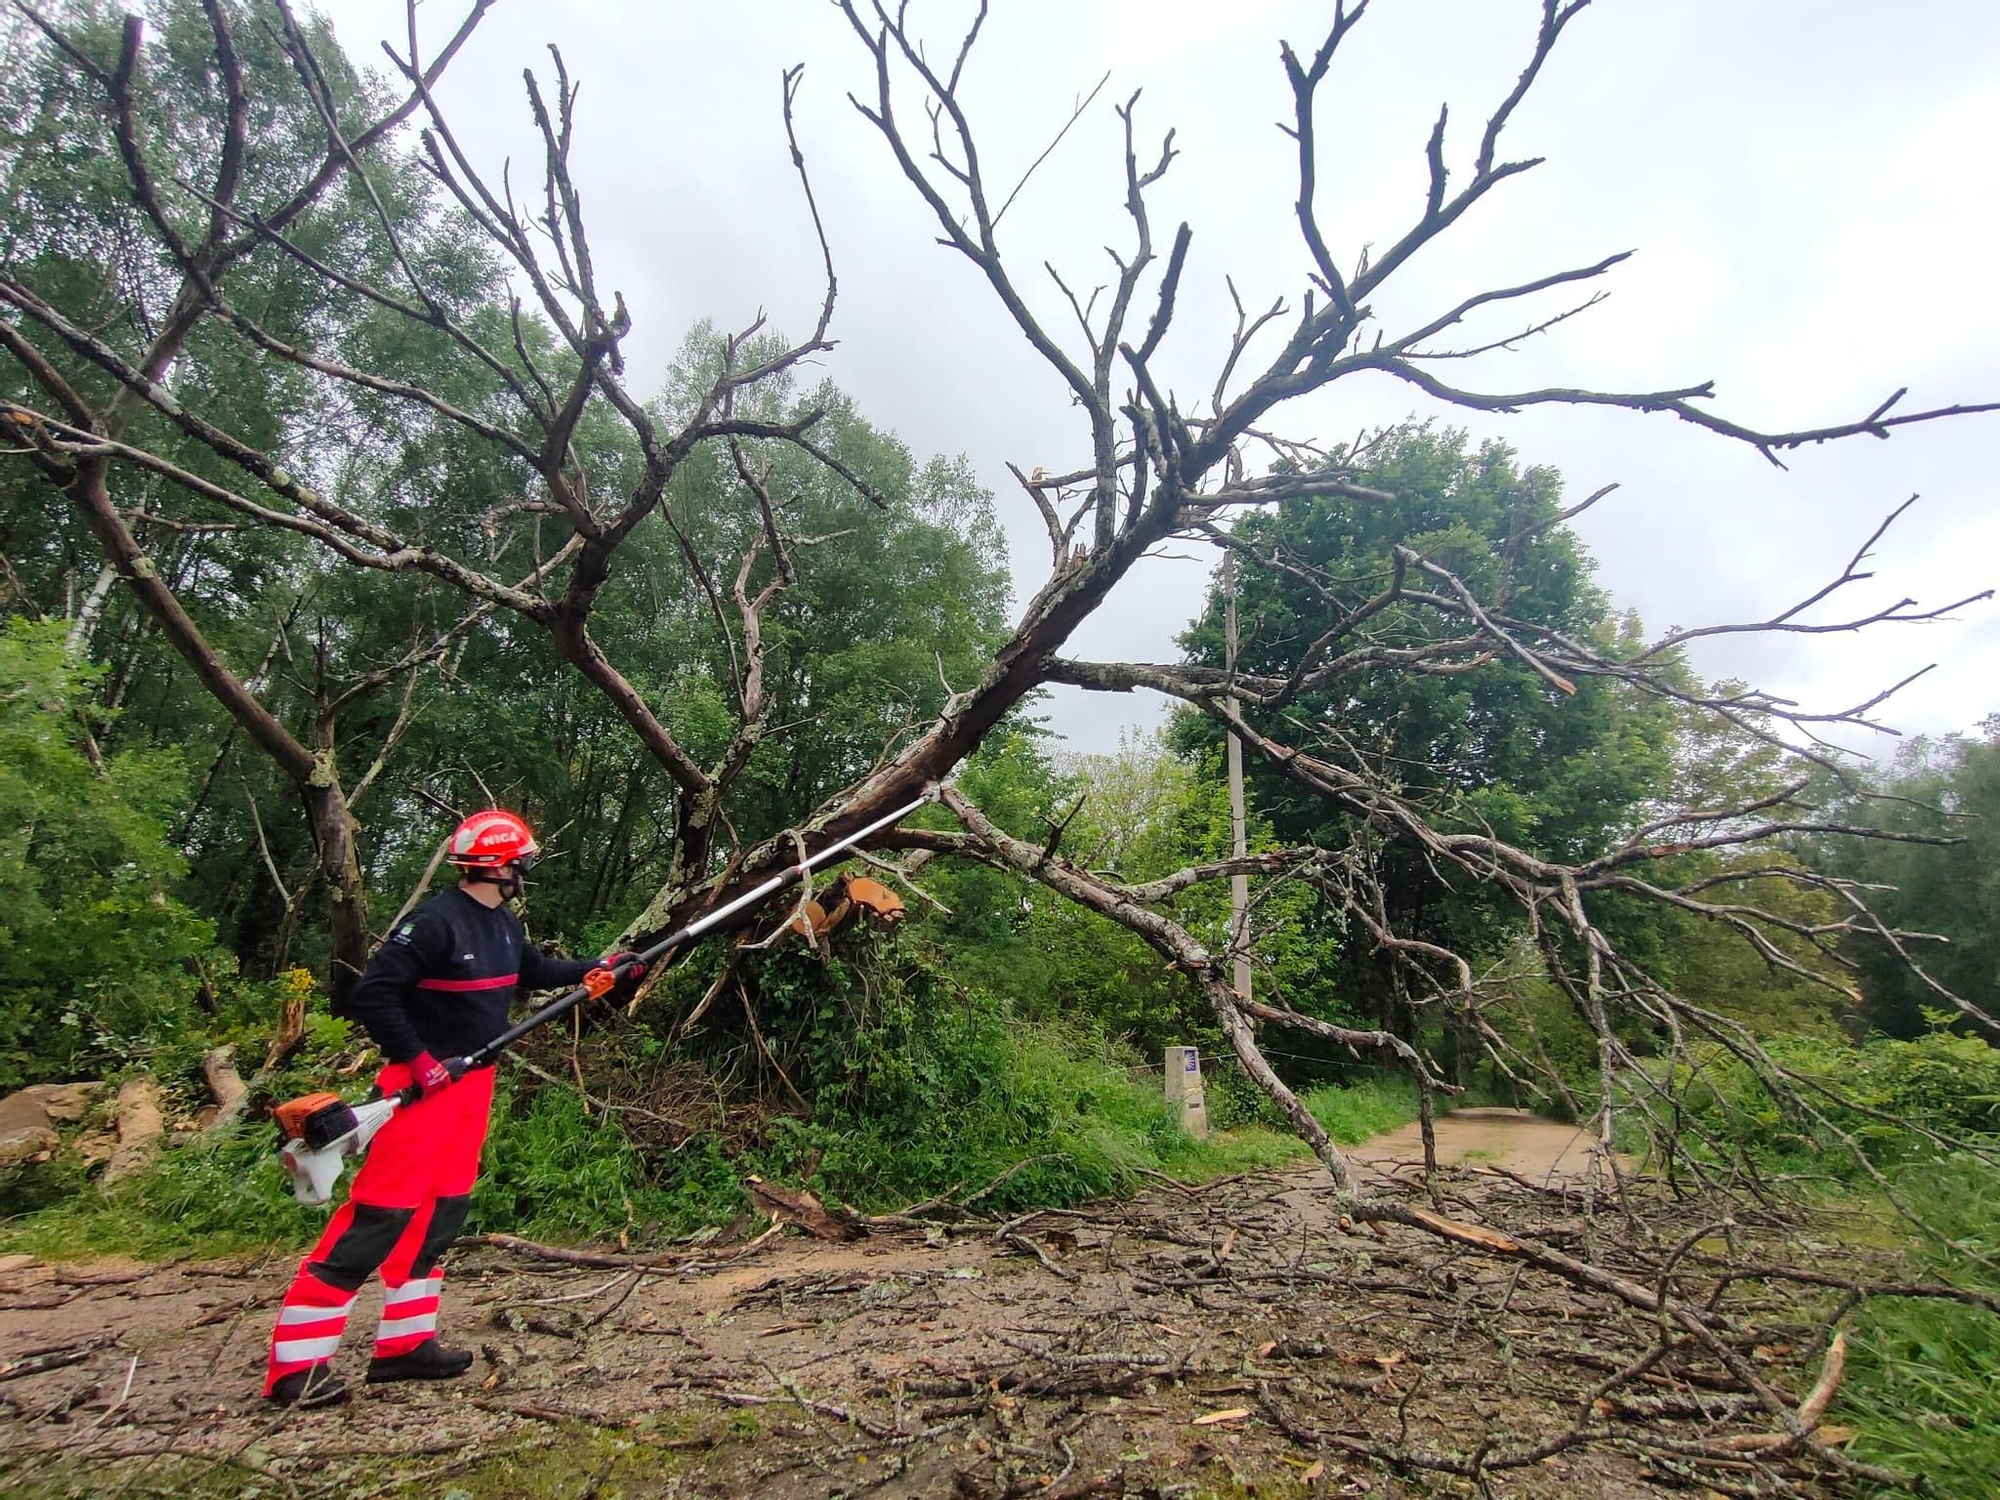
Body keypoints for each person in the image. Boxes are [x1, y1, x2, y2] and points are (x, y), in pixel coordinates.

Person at [262, 809, 643, 1407]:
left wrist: (599, 971)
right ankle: (296, 1367)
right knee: (379, 1217)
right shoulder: (435, 924)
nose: (525, 870)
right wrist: (418, 1060)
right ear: (498, 865)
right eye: (521, 861)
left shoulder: (503, 924)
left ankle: (404, 1347)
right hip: (421, 1091)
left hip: (471, 1089)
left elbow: (536, 970)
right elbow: (374, 994)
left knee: (440, 1216)